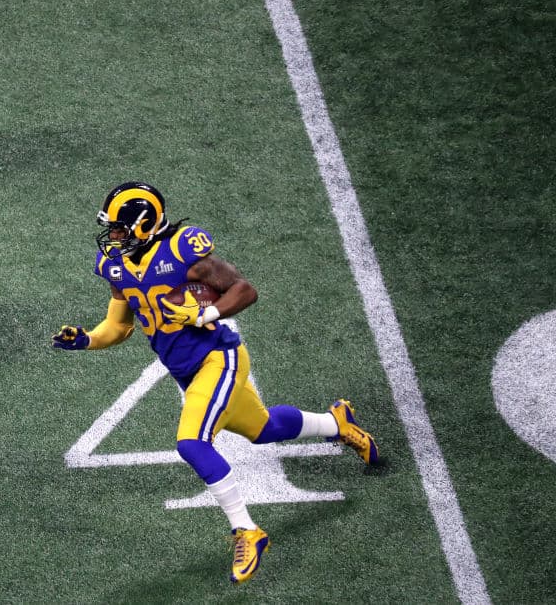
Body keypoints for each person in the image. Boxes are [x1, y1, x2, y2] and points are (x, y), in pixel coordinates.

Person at [51, 182, 379, 584]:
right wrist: (87, 339)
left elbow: (244, 290)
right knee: (263, 428)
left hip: (218, 359)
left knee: (192, 443)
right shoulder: (115, 266)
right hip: (186, 369)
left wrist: (206, 314)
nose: (114, 236)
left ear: (144, 223)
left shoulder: (181, 250)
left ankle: (248, 531)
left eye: (120, 227)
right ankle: (336, 423)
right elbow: (118, 327)